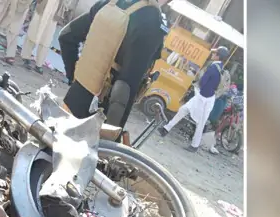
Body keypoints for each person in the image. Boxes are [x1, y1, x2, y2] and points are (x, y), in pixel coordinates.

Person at [58, 0, 170, 130]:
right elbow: (125, 88)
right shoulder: (152, 20)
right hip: (99, 119)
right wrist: (113, 133)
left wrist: (74, 78)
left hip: (71, 103)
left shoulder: (112, 3)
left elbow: (66, 35)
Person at [158, 46, 229, 151]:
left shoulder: (213, 68)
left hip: (203, 97)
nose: (213, 55)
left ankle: (193, 144)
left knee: (189, 114)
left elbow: (202, 82)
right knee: (192, 116)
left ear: (218, 56)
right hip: (208, 97)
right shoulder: (221, 69)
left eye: (215, 54)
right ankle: (167, 129)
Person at [21, 0, 64, 74]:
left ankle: (39, 65)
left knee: (46, 41)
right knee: (33, 34)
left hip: (53, 15)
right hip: (41, 10)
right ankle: (25, 57)